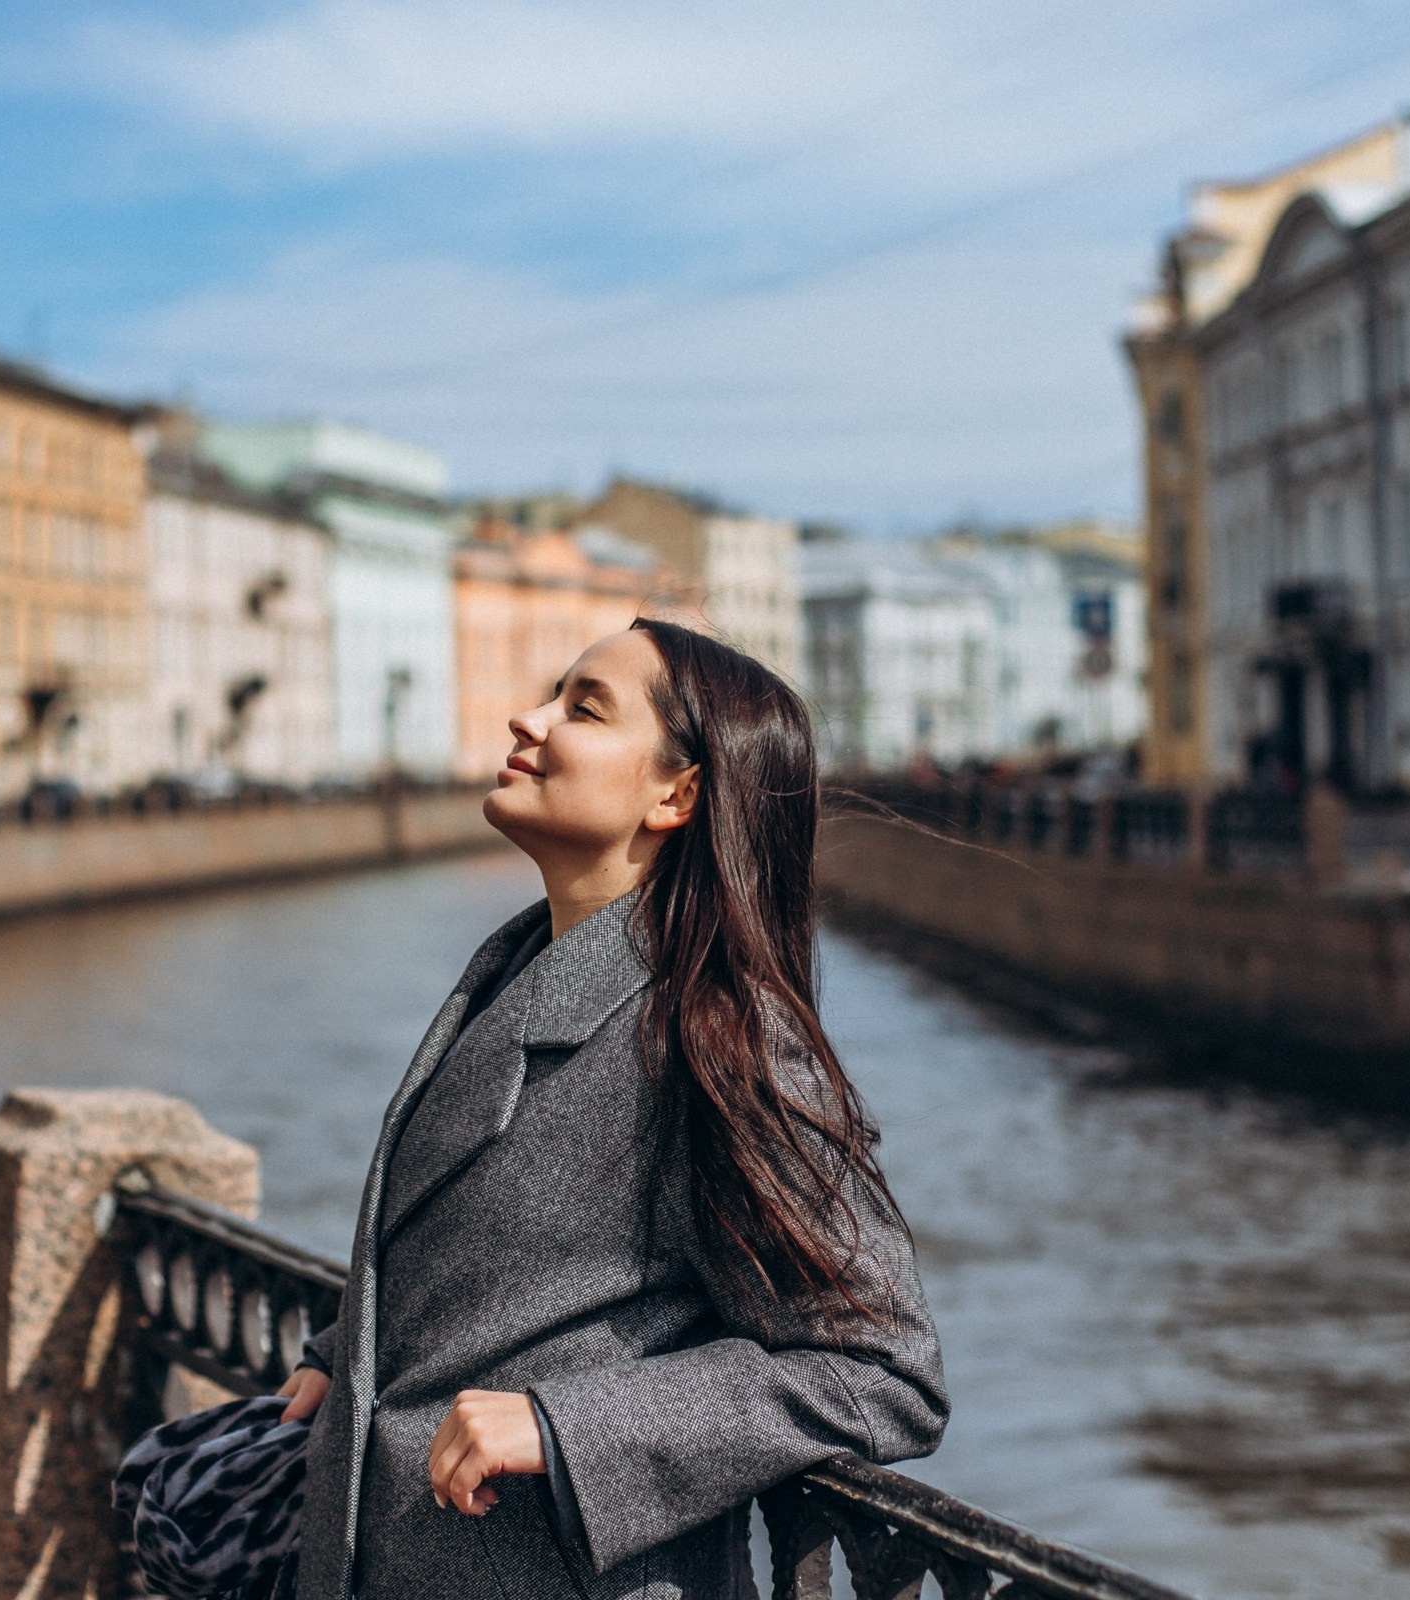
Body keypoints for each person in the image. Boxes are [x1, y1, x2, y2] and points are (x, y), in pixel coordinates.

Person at [277, 619, 947, 1599]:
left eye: (582, 707)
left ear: (678, 793)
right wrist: (349, 1360)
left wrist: (569, 1425)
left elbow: (885, 1371)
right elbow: (500, 1257)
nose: (528, 717)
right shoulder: (514, 971)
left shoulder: (720, 1031)